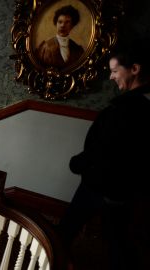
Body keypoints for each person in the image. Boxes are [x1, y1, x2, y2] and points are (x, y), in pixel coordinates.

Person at [58, 40, 150, 269]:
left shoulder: (125, 110)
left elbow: (102, 152)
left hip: (102, 184)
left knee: (67, 231)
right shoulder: (143, 105)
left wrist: (76, 163)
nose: (111, 77)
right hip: (125, 189)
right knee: (117, 239)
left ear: (134, 69)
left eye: (114, 71)